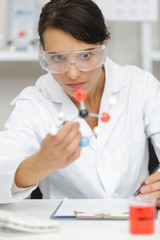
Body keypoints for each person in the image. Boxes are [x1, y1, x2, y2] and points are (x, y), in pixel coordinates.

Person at [0, 0, 160, 206]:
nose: (73, 73)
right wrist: (40, 163)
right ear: (42, 50)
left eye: (85, 55)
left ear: (105, 45)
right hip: (65, 231)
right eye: (57, 57)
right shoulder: (34, 102)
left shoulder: (139, 85)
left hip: (135, 223)